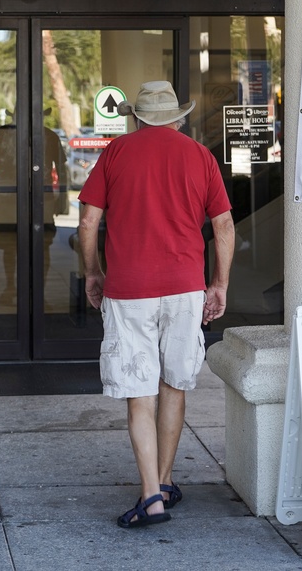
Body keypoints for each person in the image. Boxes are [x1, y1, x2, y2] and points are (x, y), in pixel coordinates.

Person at [77, 81, 234, 528]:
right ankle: (163, 482)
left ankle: (151, 496)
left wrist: (92, 272)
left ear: (136, 117)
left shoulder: (116, 153)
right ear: (178, 118)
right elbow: (222, 226)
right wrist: (219, 283)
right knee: (175, 384)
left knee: (138, 391)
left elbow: (88, 220)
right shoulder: (199, 156)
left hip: (129, 289)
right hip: (186, 287)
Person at [0, 121, 68, 304]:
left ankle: (39, 292)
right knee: (9, 244)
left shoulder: (49, 136)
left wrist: (62, 198)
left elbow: (61, 168)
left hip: (41, 199)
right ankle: (10, 286)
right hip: (8, 198)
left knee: (43, 245)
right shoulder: (3, 134)